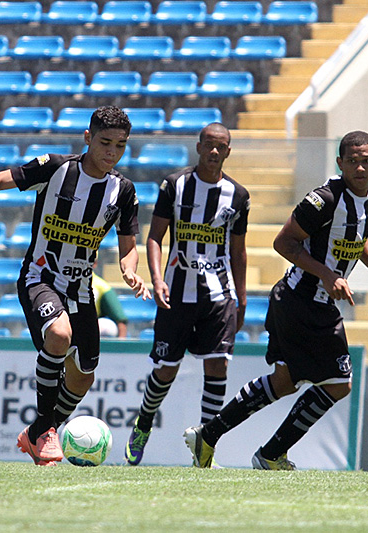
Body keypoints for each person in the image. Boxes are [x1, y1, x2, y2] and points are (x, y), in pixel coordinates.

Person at [184, 130, 368, 470]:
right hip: (303, 300)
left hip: (303, 302)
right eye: (352, 162)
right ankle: (271, 454)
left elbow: (356, 237)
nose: (359, 169)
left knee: (284, 381)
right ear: (340, 163)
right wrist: (327, 274)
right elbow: (284, 242)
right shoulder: (324, 199)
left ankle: (208, 435)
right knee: (339, 384)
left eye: (365, 161)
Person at [0, 106, 150, 466]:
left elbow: (128, 246)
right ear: (88, 138)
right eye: (105, 143)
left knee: (84, 376)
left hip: (81, 290)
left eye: (120, 146)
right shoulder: (56, 168)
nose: (112, 152)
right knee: (59, 335)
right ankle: (44, 433)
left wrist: (129, 269)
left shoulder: (123, 190)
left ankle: (40, 430)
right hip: (40, 277)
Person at [124, 123, 249, 466]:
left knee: (218, 365)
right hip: (176, 292)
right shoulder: (175, 185)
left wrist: (241, 297)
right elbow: (155, 237)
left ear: (228, 151)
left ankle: (206, 445)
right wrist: (157, 279)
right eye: (208, 144)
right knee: (166, 370)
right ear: (198, 147)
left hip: (219, 295)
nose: (213, 151)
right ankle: (144, 423)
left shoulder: (238, 195)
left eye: (220, 146)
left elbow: (238, 250)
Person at [91, 271, 129, 338]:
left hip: (89, 325)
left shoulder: (101, 286)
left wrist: (121, 341)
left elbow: (120, 319)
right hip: (73, 323)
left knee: (107, 326)